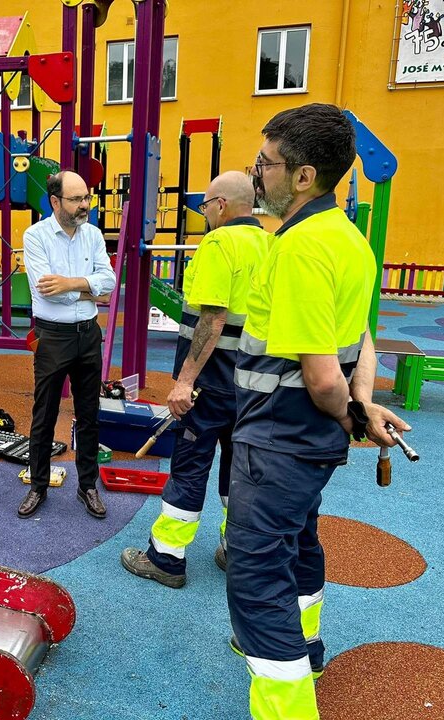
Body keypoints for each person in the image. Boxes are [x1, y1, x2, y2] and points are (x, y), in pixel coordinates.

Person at [226, 103, 411, 720]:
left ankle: (287, 704)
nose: (258, 175)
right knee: (298, 541)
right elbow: (358, 341)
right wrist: (361, 410)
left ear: (304, 176)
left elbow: (321, 374)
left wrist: (347, 411)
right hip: (306, 446)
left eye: (266, 164)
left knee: (256, 576)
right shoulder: (350, 240)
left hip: (278, 434)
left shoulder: (302, 247)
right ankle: (306, 646)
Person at [120, 171, 268, 588]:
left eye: (204, 206)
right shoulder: (272, 245)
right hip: (255, 384)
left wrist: (184, 382)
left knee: (189, 468)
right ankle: (234, 549)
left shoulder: (220, 244)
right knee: (239, 472)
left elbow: (212, 317)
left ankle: (166, 558)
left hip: (211, 382)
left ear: (220, 204)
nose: (204, 214)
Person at [18, 170, 116, 519]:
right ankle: (38, 486)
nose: (84, 205)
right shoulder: (36, 236)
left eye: (87, 198)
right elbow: (48, 291)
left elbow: (110, 281)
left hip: (88, 334)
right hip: (53, 336)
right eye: (76, 199)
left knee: (89, 414)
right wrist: (90, 290)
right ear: (55, 201)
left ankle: (87, 485)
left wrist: (73, 284)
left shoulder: (93, 235)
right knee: (43, 415)